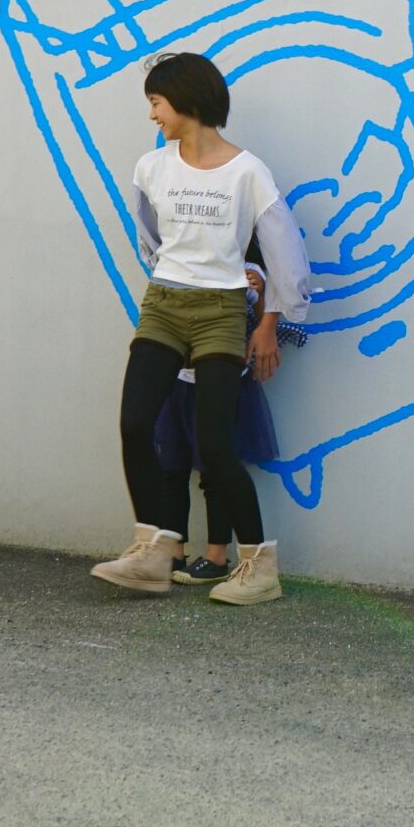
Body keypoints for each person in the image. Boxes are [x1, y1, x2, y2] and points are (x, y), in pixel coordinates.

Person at [90, 52, 309, 606]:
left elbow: (284, 251)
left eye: (157, 103)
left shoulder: (248, 172)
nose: (152, 115)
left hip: (221, 309)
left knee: (214, 444)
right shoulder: (151, 167)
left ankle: (259, 568)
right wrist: (174, 272)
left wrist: (270, 322)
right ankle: (154, 552)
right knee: (135, 423)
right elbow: (149, 235)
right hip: (164, 303)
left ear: (187, 100)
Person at [159, 252, 305, 584]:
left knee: (215, 467)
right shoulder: (180, 255)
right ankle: (172, 551)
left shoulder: (246, 271)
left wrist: (260, 292)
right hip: (179, 378)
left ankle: (216, 555)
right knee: (170, 466)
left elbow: (262, 317)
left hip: (221, 378)